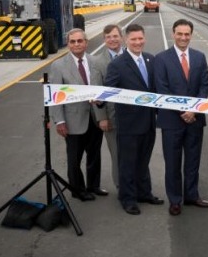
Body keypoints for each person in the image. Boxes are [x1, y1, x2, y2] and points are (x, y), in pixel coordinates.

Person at [154, 19, 208, 216]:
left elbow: (204, 85)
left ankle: (192, 195)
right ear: (173, 34)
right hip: (171, 120)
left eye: (187, 34)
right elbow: (162, 88)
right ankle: (175, 200)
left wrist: (193, 110)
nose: (183, 37)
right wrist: (182, 111)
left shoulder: (199, 57)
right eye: (180, 34)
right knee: (173, 162)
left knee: (193, 161)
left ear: (191, 35)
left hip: (195, 120)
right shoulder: (161, 59)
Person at [105, 23, 164, 215]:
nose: (138, 42)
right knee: (128, 163)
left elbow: (155, 88)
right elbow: (109, 90)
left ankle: (144, 193)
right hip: (129, 124)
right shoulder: (117, 64)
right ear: (126, 40)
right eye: (134, 39)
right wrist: (97, 101)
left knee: (143, 160)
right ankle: (128, 198)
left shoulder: (150, 59)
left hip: (148, 122)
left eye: (140, 38)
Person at [50, 28, 108, 201]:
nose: (76, 44)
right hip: (73, 120)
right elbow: (55, 97)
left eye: (80, 41)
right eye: (72, 41)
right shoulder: (58, 65)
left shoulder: (95, 61)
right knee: (74, 159)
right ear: (68, 44)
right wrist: (59, 121)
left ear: (86, 42)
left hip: (95, 117)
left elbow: (102, 88)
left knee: (94, 154)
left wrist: (103, 111)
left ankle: (93, 186)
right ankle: (78, 190)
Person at [92, 24, 123, 190]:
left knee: (135, 154)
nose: (112, 40)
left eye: (115, 36)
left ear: (121, 37)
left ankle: (138, 185)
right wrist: (102, 118)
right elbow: (97, 91)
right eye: (108, 37)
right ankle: (121, 187)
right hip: (111, 117)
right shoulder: (97, 61)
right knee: (117, 155)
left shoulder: (131, 55)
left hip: (133, 117)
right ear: (104, 40)